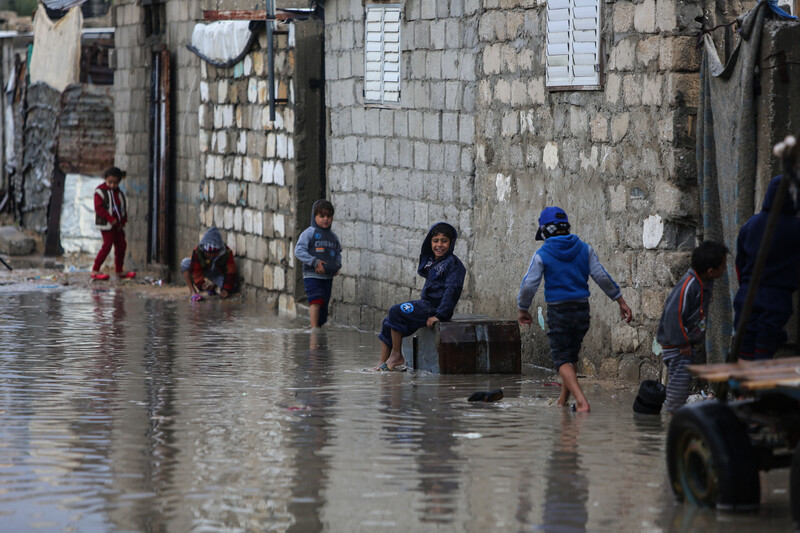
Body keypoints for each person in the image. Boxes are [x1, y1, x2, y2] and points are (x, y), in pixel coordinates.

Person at [518, 207, 632, 412]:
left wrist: (523, 308)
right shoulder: (584, 248)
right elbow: (602, 277)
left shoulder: (543, 253)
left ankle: (581, 401)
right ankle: (563, 400)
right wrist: (620, 301)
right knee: (571, 356)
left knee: (561, 359)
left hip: (559, 312)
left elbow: (528, 285)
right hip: (581, 311)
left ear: (544, 231)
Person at [374, 222, 466, 372]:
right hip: (425, 305)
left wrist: (440, 315)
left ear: (451, 243)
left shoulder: (453, 265)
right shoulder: (434, 262)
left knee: (395, 310)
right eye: (435, 241)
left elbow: (452, 291)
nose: (439, 245)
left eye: (444, 241)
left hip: (434, 308)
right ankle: (382, 362)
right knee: (388, 321)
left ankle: (397, 355)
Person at [733, 175, 800, 360]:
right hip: (776, 297)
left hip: (747, 294)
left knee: (744, 346)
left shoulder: (751, 225)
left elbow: (740, 262)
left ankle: (744, 387)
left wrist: (745, 285)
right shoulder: (795, 228)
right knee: (765, 346)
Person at [656, 241, 728, 413]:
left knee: (683, 382)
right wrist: (683, 344)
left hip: (685, 344)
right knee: (679, 385)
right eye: (723, 266)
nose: (725, 269)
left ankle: (676, 415)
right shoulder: (689, 286)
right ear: (711, 271)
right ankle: (673, 419)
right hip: (677, 345)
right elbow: (673, 318)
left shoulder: (704, 282)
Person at [294, 200, 342, 328]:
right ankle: (314, 331)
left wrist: (337, 265)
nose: (325, 219)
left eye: (328, 216)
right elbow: (298, 250)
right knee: (316, 300)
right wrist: (314, 262)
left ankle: (318, 327)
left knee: (324, 307)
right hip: (312, 275)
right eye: (322, 216)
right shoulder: (309, 233)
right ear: (314, 217)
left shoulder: (333, 237)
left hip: (327, 277)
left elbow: (338, 252)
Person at [91, 166, 135, 280]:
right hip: (107, 225)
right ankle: (95, 270)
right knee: (107, 246)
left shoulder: (118, 193)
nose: (112, 185)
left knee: (121, 246)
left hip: (118, 226)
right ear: (105, 179)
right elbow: (99, 209)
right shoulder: (100, 192)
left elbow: (122, 208)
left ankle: (119, 270)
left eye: (115, 183)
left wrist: (122, 221)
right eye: (110, 182)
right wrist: (111, 219)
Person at [180, 227, 238, 302]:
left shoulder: (227, 253)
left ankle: (212, 287)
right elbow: (196, 272)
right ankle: (193, 292)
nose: (212, 256)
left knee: (233, 288)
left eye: (215, 254)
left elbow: (231, 272)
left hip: (217, 272)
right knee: (185, 263)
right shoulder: (198, 252)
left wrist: (226, 289)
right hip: (203, 269)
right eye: (209, 255)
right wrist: (201, 285)